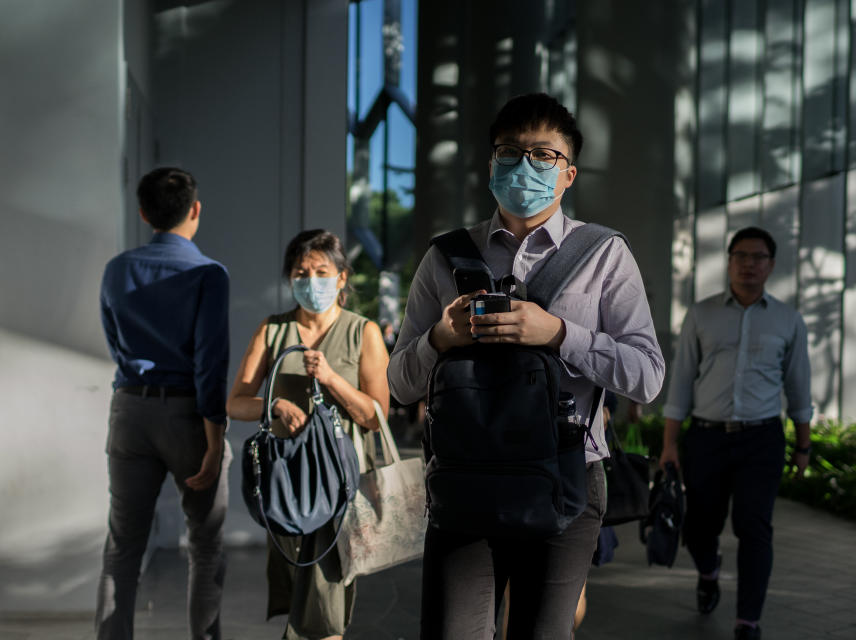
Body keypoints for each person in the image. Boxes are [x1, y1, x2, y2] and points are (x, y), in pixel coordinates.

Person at [387, 92, 665, 639]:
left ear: (569, 175)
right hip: (465, 480)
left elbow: (647, 375)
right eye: (510, 151)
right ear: (492, 163)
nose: (526, 164)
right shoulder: (445, 255)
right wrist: (441, 338)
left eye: (544, 155)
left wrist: (559, 333)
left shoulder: (604, 253)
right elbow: (399, 384)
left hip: (565, 481)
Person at [226, 229, 390, 640]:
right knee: (300, 590)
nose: (311, 280)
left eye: (321, 271)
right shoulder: (273, 330)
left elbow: (376, 415)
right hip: (286, 484)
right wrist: (274, 405)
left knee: (323, 605)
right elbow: (236, 402)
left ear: (341, 277)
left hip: (339, 486)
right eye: (301, 272)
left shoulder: (363, 332)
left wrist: (332, 379)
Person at [96, 167, 231, 640]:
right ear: (195, 210)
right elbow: (211, 362)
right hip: (188, 416)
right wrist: (215, 441)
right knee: (206, 546)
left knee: (122, 548)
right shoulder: (208, 275)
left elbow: (115, 345)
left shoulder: (117, 269)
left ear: (143, 212)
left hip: (129, 412)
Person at [659, 226, 813, 640]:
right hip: (706, 438)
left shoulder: (788, 320)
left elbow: (799, 388)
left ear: (771, 265)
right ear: (729, 262)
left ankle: (748, 621)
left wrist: (803, 446)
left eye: (758, 257)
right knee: (699, 527)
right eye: (741, 256)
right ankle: (708, 572)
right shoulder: (701, 314)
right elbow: (681, 382)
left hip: (761, 439)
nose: (749, 264)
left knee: (754, 527)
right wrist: (670, 444)